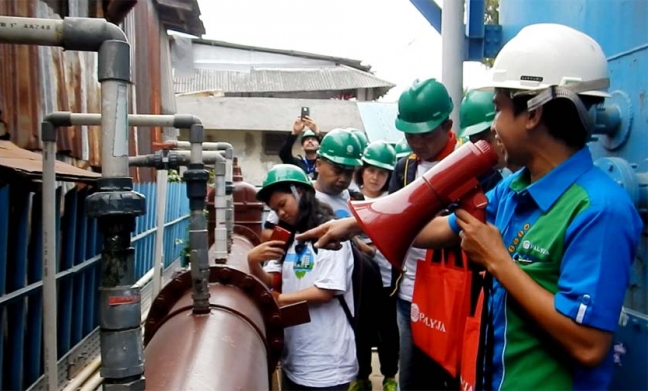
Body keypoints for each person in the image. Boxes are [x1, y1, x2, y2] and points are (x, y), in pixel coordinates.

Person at [295, 23, 643, 391]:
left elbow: (589, 346)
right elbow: (445, 229)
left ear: (534, 113)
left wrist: (499, 262)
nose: (493, 126)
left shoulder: (600, 209)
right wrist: (357, 223)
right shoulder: (515, 187)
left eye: (499, 109)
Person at [248, 164, 357, 390]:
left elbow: (325, 291)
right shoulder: (289, 236)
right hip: (296, 357)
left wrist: (279, 299)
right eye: (275, 210)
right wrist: (253, 262)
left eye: (282, 205)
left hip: (327, 360)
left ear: (300, 193)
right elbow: (272, 280)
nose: (281, 213)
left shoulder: (331, 233)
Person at [389, 78, 461, 390]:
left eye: (425, 134)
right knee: (413, 380)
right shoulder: (404, 168)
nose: (416, 142)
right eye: (409, 134)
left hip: (454, 296)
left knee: (452, 377)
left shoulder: (469, 165)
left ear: (447, 125)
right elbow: (390, 216)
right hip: (409, 296)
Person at [349, 141, 400, 391]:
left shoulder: (394, 202)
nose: (375, 177)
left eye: (382, 173)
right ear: (362, 171)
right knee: (361, 328)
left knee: (388, 330)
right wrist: (360, 244)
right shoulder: (351, 199)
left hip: (388, 280)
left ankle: (390, 375)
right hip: (358, 279)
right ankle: (362, 376)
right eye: (371, 170)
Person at [459, 90, 508, 192]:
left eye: (486, 141)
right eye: (475, 145)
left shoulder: (532, 174)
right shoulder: (481, 180)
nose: (482, 152)